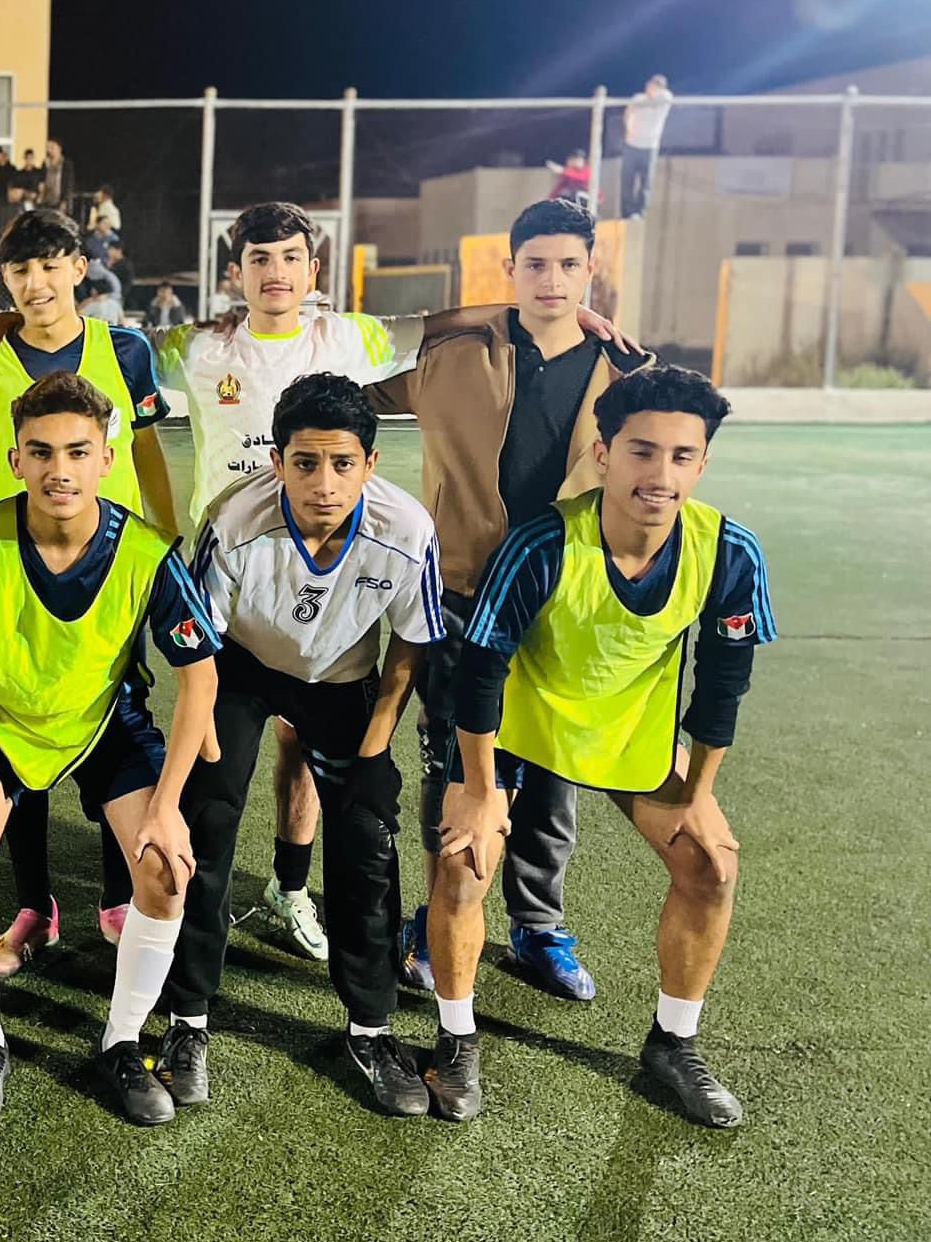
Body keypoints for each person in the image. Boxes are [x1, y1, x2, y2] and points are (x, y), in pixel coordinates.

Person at [427, 367, 771, 1128]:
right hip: (517, 726)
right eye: (642, 451)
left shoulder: (728, 552)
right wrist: (478, 791)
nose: (660, 474)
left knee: (711, 866)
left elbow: (723, 688)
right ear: (604, 453)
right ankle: (455, 1041)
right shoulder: (542, 543)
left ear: (703, 464)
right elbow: (480, 674)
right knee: (463, 864)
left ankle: (673, 1045)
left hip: (627, 732)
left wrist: (698, 794)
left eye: (681, 456)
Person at [368, 197, 651, 1000]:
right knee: (455, 769)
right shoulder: (453, 357)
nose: (551, 280)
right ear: (510, 269)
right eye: (535, 265)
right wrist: (477, 315)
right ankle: (434, 918)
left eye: (568, 265)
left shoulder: (625, 376)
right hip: (460, 592)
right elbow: (357, 366)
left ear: (591, 270)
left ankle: (537, 925)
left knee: (554, 774)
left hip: (565, 602)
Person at [0, 371, 218, 1125]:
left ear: (106, 460)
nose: (59, 470)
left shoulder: (147, 551)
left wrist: (167, 806)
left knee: (165, 870)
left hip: (102, 721)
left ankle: (121, 1042)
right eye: (41, 452)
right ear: (15, 459)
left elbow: (200, 679)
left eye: (78, 452)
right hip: (0, 722)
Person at [157, 374, 443, 1115]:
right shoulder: (234, 521)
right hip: (240, 670)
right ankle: (187, 1018)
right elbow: (199, 652)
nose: (324, 483)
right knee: (207, 820)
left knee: (366, 835)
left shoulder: (408, 531)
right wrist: (211, 758)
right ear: (276, 461)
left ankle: (371, 1027)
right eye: (305, 463)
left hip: (341, 678)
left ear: (371, 463)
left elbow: (408, 649)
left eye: (343, 464)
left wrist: (374, 752)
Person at [0, 208, 178, 970]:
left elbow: (148, 450)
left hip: (111, 567)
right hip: (10, 565)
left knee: (113, 708)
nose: (36, 282)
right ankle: (33, 904)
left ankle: (115, 895)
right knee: (17, 716)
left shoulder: (127, 350)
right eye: (20, 270)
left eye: (50, 265)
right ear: (3, 282)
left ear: (80, 268)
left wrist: (168, 534)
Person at [622, 74, 674, 219]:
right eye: (651, 84)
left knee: (646, 182)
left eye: (656, 85)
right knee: (627, 180)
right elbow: (627, 113)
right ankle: (627, 212)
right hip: (631, 143)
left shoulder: (664, 99)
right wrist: (629, 129)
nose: (652, 87)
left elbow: (666, 97)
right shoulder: (638, 98)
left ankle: (640, 212)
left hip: (650, 146)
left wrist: (653, 97)